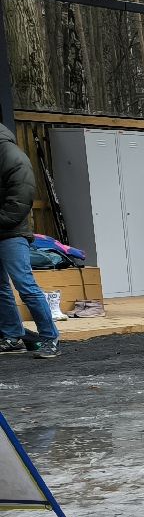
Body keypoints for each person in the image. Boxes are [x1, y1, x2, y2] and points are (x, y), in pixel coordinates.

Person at [0, 122, 58, 358]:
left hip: (12, 233)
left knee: (25, 285)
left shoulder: (12, 156)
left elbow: (21, 200)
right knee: (1, 288)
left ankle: (50, 338)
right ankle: (12, 336)